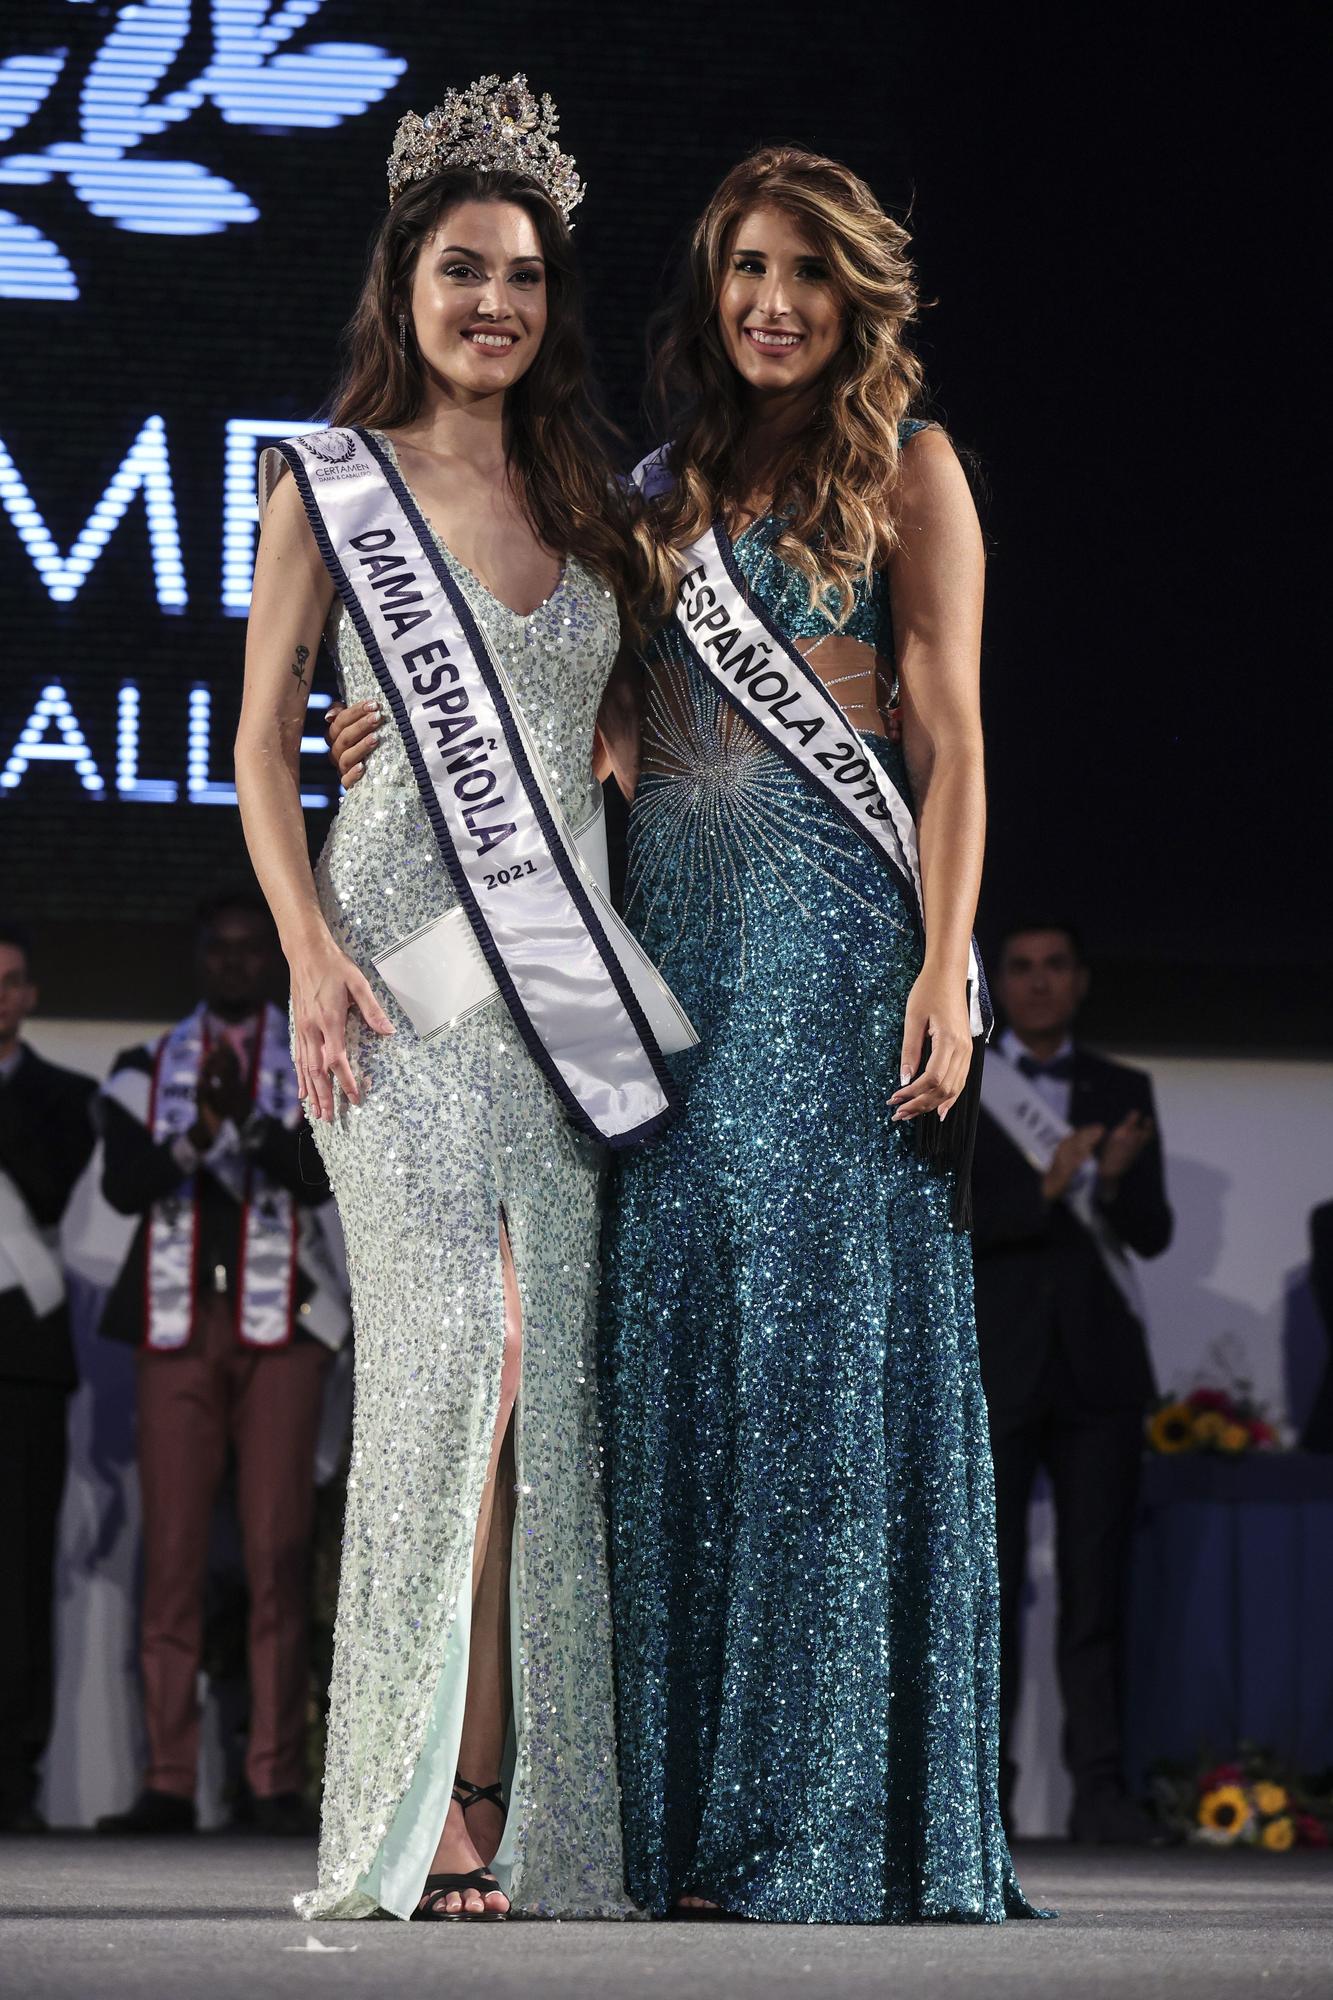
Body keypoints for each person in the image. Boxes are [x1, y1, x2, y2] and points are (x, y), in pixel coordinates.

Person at [235, 74, 667, 1922]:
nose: (493, 303)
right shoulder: (324, 482)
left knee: (536, 1399)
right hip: (395, 981)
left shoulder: (588, 492)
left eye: (522, 277)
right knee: (451, 1370)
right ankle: (415, 1804)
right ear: (402, 280)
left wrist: (629, 737)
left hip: (558, 999)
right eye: (460, 269)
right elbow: (263, 750)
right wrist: (308, 956)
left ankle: (506, 1789)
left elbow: (620, 713)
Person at [597, 147, 1038, 1923]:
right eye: (742, 270)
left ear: (854, 293)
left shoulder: (907, 469)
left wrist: (944, 966)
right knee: (682, 1342)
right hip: (675, 951)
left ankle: (810, 1820)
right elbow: (612, 724)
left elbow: (948, 741)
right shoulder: (661, 490)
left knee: (810, 1369)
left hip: (838, 949)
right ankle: (685, 1811)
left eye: (803, 272)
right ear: (711, 291)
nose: (770, 300)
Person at [95, 890, 342, 1837]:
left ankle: (272, 1776)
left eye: (253, 950)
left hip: (281, 1329)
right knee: (173, 1558)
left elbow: (316, 1174)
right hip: (176, 1328)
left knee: (278, 1554)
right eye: (222, 951)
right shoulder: (141, 1068)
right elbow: (125, 1184)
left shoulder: (310, 1054)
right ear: (199, 959)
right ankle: (166, 1777)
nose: (238, 964)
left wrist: (251, 1124)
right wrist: (204, 1131)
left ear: (270, 959)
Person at [970, 920, 1173, 1843]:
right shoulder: (967, 1079)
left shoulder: (1121, 1090)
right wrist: (1045, 1188)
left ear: (1080, 982)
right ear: (998, 982)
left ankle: (1101, 1793)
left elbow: (1152, 1233)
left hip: (1098, 1374)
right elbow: (953, 1217)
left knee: (1097, 1592)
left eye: (1056, 967)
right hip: (999, 1366)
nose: (1038, 983)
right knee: (989, 1587)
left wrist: (1117, 1181)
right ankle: (981, 1797)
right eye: (1021, 967)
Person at [0, 922, 96, 1833]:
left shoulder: (69, 1097)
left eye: (12, 981)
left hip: (21, 1365)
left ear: (30, 995)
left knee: (19, 1574)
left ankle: (14, 1776)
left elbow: (47, 1186)